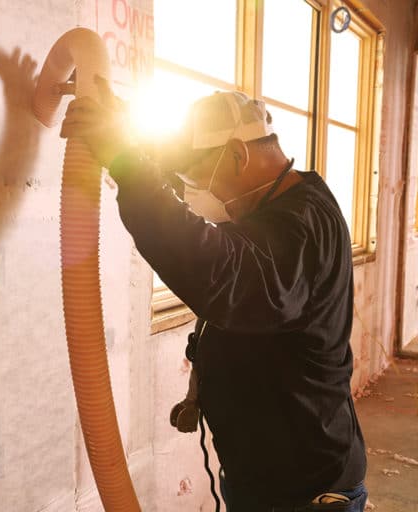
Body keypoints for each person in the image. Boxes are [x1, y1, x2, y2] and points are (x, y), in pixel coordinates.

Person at [60, 78, 368, 512]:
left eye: (200, 178)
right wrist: (123, 124)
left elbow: (218, 271)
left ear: (240, 155)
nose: (197, 195)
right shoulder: (280, 208)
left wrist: (126, 161)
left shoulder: (299, 228)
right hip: (267, 480)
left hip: (305, 491)